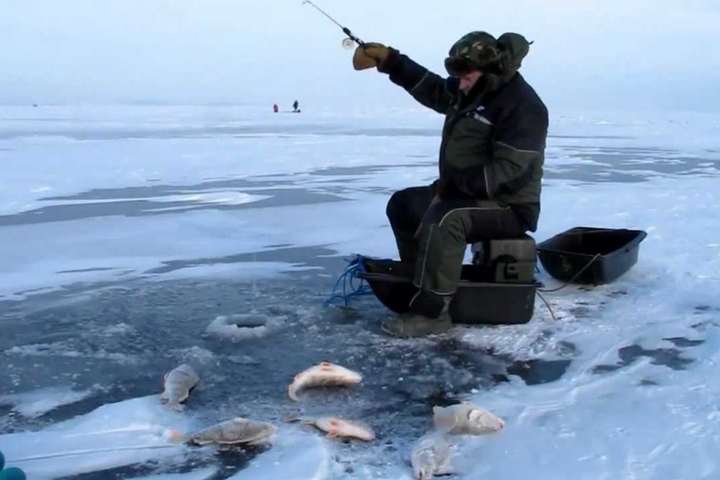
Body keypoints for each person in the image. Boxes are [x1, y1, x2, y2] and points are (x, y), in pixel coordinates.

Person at [353, 32, 548, 337]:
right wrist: (392, 61)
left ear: (490, 70)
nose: (459, 83)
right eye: (456, 76)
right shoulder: (471, 89)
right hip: (464, 192)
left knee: (447, 217)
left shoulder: (523, 106)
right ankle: (424, 281)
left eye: (466, 76)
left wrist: (456, 188)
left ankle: (433, 313)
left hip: (509, 206)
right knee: (404, 205)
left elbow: (509, 169)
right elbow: (433, 89)